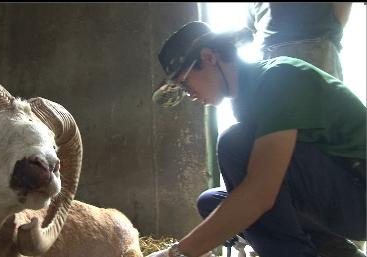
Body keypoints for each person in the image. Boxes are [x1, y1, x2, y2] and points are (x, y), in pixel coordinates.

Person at [148, 21, 366, 257]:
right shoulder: (246, 100)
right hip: (340, 196)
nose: (189, 94)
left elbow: (261, 191)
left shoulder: (278, 78)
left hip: (360, 190)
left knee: (235, 144)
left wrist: (179, 252)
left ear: (209, 57)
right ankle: (337, 252)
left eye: (184, 82)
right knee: (211, 202)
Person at [246, 3, 352, 80]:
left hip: (270, 55)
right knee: (321, 106)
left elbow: (251, 29)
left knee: (277, 108)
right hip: (317, 47)